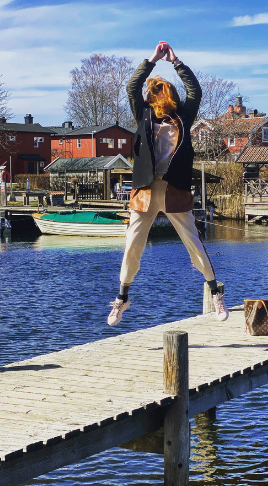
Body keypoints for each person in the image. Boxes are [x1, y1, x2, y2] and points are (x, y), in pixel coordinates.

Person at [108, 41, 228, 326]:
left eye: (160, 92)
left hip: (174, 190)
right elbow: (131, 87)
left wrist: (176, 62)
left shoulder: (183, 118)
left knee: (194, 244)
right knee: (132, 246)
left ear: (169, 96)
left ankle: (216, 292)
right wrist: (152, 59)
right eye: (154, 93)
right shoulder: (143, 116)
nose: (156, 96)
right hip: (146, 191)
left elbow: (195, 91)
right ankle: (122, 298)